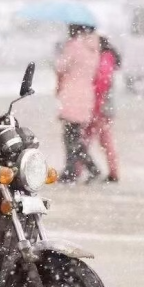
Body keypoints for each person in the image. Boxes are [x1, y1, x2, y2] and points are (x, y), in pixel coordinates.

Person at [56, 23, 101, 184]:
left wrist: (59, 55)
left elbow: (61, 66)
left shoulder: (74, 46)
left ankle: (72, 171)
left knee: (70, 136)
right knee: (75, 136)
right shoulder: (94, 49)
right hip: (86, 94)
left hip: (72, 94)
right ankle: (85, 169)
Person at [84, 36, 121, 182]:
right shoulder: (108, 57)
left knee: (90, 139)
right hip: (102, 106)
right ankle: (112, 172)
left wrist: (96, 107)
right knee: (97, 140)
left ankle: (79, 169)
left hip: (100, 107)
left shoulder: (104, 58)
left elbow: (101, 83)